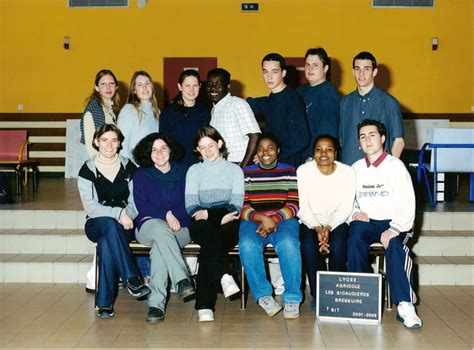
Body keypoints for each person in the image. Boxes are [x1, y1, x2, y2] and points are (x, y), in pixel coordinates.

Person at [347, 119, 422, 328]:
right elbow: (348, 200)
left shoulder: (395, 166)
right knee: (353, 241)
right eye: (362, 136)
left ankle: (405, 304)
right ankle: (360, 297)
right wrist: (354, 213)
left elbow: (408, 203)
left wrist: (395, 228)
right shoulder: (355, 168)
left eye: (372, 135)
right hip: (368, 221)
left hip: (395, 221)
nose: (367, 140)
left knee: (396, 245)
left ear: (382, 138)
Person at [77, 124, 150, 319]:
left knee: (107, 242)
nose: (109, 145)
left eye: (114, 140)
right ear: (95, 142)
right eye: (104, 140)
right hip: (96, 222)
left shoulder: (129, 167)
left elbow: (136, 201)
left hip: (125, 224)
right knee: (108, 225)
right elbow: (90, 207)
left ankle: (104, 304)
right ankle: (132, 278)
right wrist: (118, 214)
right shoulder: (87, 169)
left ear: (119, 144)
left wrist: (127, 215)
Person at [132, 133, 196, 323]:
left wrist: (173, 216)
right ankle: (182, 280)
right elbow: (142, 206)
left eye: (163, 148)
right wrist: (166, 214)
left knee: (160, 249)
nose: (159, 153)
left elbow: (190, 203)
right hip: (148, 226)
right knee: (161, 230)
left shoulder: (185, 172)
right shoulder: (142, 174)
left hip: (181, 228)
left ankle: (156, 306)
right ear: (147, 153)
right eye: (153, 149)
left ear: (171, 150)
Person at [238, 133, 302, 319]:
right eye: (260, 148)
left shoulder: (289, 170)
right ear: (256, 152)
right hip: (253, 220)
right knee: (247, 246)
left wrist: (273, 219)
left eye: (270, 148)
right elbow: (241, 204)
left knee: (288, 244)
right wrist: (260, 217)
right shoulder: (247, 172)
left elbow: (294, 204)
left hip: (283, 219)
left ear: (278, 151)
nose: (265, 152)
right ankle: (264, 296)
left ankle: (292, 298)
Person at [185, 126, 244, 322]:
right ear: (197, 150)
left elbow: (236, 204)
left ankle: (204, 305)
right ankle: (225, 275)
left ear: (219, 144)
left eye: (211, 145)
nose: (208, 151)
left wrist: (210, 213)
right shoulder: (194, 171)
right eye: (202, 147)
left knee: (210, 246)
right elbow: (192, 207)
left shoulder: (235, 170)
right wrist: (216, 216)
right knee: (208, 234)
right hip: (202, 222)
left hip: (230, 221)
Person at [297, 135, 355, 309]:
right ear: (313, 153)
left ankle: (336, 292)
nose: (323, 153)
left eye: (329, 149)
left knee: (338, 245)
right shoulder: (303, 171)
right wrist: (317, 227)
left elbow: (346, 206)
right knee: (308, 245)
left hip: (337, 221)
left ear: (335, 153)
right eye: (318, 149)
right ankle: (317, 293)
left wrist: (328, 227)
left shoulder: (347, 172)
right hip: (310, 221)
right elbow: (301, 206)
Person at [339, 51, 405, 165]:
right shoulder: (345, 102)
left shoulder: (389, 103)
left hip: (378, 172)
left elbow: (399, 142)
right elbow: (341, 140)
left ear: (374, 72)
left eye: (366, 69)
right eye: (357, 69)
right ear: (353, 72)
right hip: (349, 169)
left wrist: (388, 168)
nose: (361, 73)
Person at [247, 53, 310, 167]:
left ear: (283, 73)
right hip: (272, 163)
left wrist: (270, 155)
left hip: (287, 165)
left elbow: (302, 139)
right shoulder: (271, 99)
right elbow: (251, 104)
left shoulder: (292, 98)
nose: (269, 77)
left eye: (274, 72)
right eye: (265, 72)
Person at [207, 68, 261, 168]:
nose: (213, 88)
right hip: (223, 165)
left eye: (218, 84)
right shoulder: (214, 110)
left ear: (227, 86)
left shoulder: (238, 104)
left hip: (240, 164)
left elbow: (254, 136)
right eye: (210, 84)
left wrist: (241, 169)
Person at [160, 69, 210, 167]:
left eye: (195, 85)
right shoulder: (169, 112)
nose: (192, 90)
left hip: (201, 165)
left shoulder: (204, 111)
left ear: (200, 86)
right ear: (180, 87)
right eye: (187, 86)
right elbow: (163, 142)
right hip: (177, 166)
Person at [297, 48, 340, 160]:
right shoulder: (299, 92)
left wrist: (313, 157)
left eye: (315, 65)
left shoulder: (329, 94)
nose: (310, 68)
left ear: (325, 68)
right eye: (307, 65)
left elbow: (327, 134)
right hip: (298, 158)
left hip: (314, 159)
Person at [117, 70, 160, 164]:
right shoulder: (129, 110)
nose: (144, 87)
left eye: (147, 83)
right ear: (134, 90)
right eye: (140, 84)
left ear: (152, 87)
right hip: (136, 169)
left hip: (154, 168)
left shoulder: (157, 112)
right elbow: (122, 144)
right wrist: (130, 170)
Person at [80, 69, 120, 158]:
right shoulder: (93, 111)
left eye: (111, 83)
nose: (108, 87)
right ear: (97, 88)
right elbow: (91, 147)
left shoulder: (113, 109)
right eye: (103, 84)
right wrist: (102, 165)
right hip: (99, 162)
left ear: (116, 87)